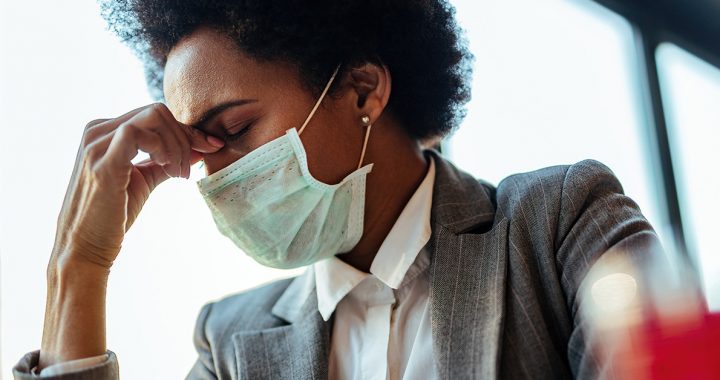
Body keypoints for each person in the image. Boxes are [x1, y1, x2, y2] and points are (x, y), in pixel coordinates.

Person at [13, 0, 663, 379]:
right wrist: (79, 269)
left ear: (362, 90)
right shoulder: (230, 342)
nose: (215, 178)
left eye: (234, 130)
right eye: (200, 147)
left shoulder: (558, 225)